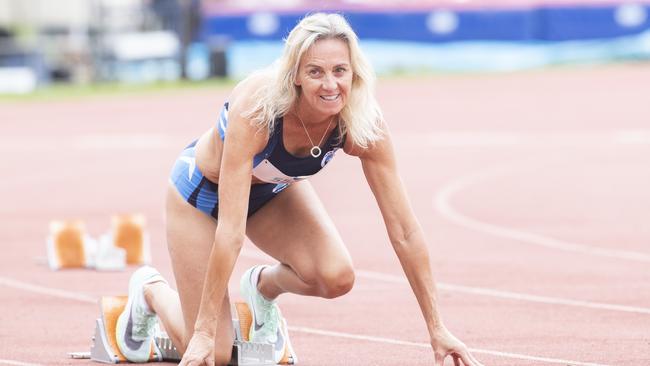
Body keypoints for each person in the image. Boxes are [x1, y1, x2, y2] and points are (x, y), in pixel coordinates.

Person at [115, 12, 484, 366]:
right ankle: (151, 292)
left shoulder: (361, 122)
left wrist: (437, 328)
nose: (330, 85)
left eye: (340, 71)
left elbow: (404, 230)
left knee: (337, 276)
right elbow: (230, 232)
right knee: (218, 352)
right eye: (315, 72)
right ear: (295, 75)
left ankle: (261, 288)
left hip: (270, 193)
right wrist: (204, 331)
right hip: (198, 195)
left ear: (353, 73)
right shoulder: (258, 110)